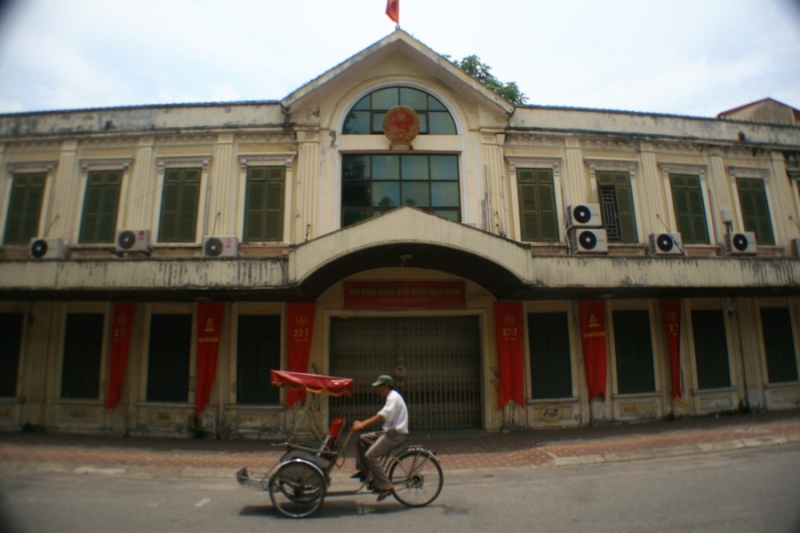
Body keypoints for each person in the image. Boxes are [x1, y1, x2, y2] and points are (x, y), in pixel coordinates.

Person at [351, 374, 408, 501]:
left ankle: (386, 486)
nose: (377, 390)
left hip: (394, 435)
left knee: (370, 456)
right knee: (362, 439)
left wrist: (363, 424)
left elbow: (382, 416)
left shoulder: (393, 397)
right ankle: (365, 471)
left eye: (379, 387)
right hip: (388, 432)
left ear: (386, 386)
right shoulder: (390, 397)